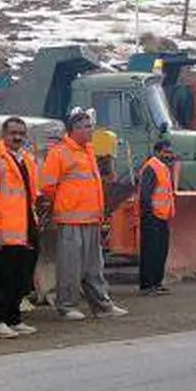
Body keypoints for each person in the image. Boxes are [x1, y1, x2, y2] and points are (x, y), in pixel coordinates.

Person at [40, 108, 128, 321]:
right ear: (74, 129)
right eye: (87, 126)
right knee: (70, 265)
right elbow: (48, 186)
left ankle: (101, 305)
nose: (91, 130)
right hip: (71, 218)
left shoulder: (88, 150)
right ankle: (67, 306)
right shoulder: (59, 153)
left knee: (93, 266)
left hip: (90, 217)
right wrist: (66, 204)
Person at [0, 117, 40, 338]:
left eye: (21, 133)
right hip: (3, 232)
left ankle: (14, 317)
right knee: (0, 279)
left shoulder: (26, 160)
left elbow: (30, 196)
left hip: (23, 230)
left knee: (20, 278)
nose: (18, 137)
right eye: (13, 133)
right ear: (3, 135)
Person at [138, 139, 177, 295]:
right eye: (166, 152)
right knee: (151, 251)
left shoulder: (162, 168)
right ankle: (148, 285)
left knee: (160, 250)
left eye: (169, 151)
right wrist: (149, 213)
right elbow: (146, 194)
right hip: (153, 216)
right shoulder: (152, 167)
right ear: (157, 151)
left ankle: (157, 282)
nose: (169, 155)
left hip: (162, 215)